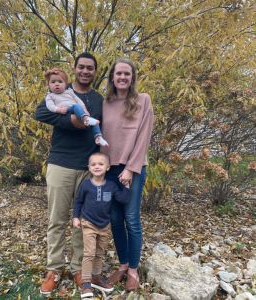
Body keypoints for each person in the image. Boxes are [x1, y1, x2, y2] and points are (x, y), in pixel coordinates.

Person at [35, 52, 104, 295]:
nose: (85, 71)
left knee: (82, 223)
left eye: (90, 68)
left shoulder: (98, 100)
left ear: (95, 72)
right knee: (57, 220)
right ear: (74, 69)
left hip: (87, 169)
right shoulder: (58, 91)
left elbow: (102, 128)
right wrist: (71, 120)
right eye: (82, 67)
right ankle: (53, 269)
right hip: (61, 164)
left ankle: (77, 268)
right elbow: (40, 113)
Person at [101, 58, 154, 291]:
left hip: (132, 169)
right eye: (118, 73)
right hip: (108, 170)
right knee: (114, 219)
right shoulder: (105, 103)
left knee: (131, 218)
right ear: (112, 77)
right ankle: (122, 265)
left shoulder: (143, 100)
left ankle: (133, 269)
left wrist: (130, 169)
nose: (122, 77)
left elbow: (144, 136)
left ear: (132, 78)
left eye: (127, 74)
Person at [72, 152, 130, 298]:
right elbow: (78, 201)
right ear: (89, 168)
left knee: (99, 253)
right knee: (89, 253)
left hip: (104, 225)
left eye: (100, 164)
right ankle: (86, 283)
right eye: (93, 164)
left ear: (108, 167)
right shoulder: (86, 185)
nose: (97, 166)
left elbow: (123, 199)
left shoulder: (111, 186)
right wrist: (75, 217)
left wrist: (127, 187)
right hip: (88, 223)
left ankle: (96, 278)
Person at [44, 68, 108, 146]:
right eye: (53, 82)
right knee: (76, 106)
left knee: (95, 122)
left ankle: (98, 137)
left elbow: (78, 101)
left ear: (65, 84)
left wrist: (84, 110)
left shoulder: (69, 92)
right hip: (66, 110)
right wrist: (58, 110)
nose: (57, 84)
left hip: (77, 110)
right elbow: (50, 106)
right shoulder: (50, 96)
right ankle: (85, 119)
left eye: (60, 82)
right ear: (48, 85)